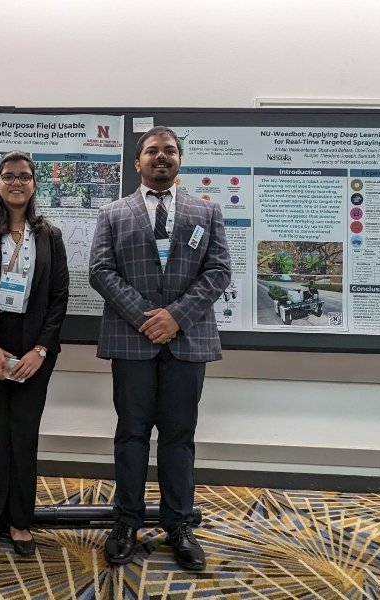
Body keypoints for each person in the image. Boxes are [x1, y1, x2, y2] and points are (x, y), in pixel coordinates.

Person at [89, 126, 231, 571]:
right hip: (132, 343)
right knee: (131, 435)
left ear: (180, 160)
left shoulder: (206, 211)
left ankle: (178, 525)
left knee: (178, 438)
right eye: (152, 151)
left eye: (169, 150)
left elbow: (220, 270)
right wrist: (148, 319)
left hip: (187, 341)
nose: (161, 157)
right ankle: (125, 523)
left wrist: (176, 318)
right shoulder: (113, 213)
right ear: (137, 162)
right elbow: (100, 270)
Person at [0, 151, 69, 556]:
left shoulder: (50, 235)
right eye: (8, 176)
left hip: (33, 351)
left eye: (24, 176)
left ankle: (21, 521)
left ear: (34, 183)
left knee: (24, 434)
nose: (16, 182)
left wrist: (41, 349)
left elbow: (59, 297)